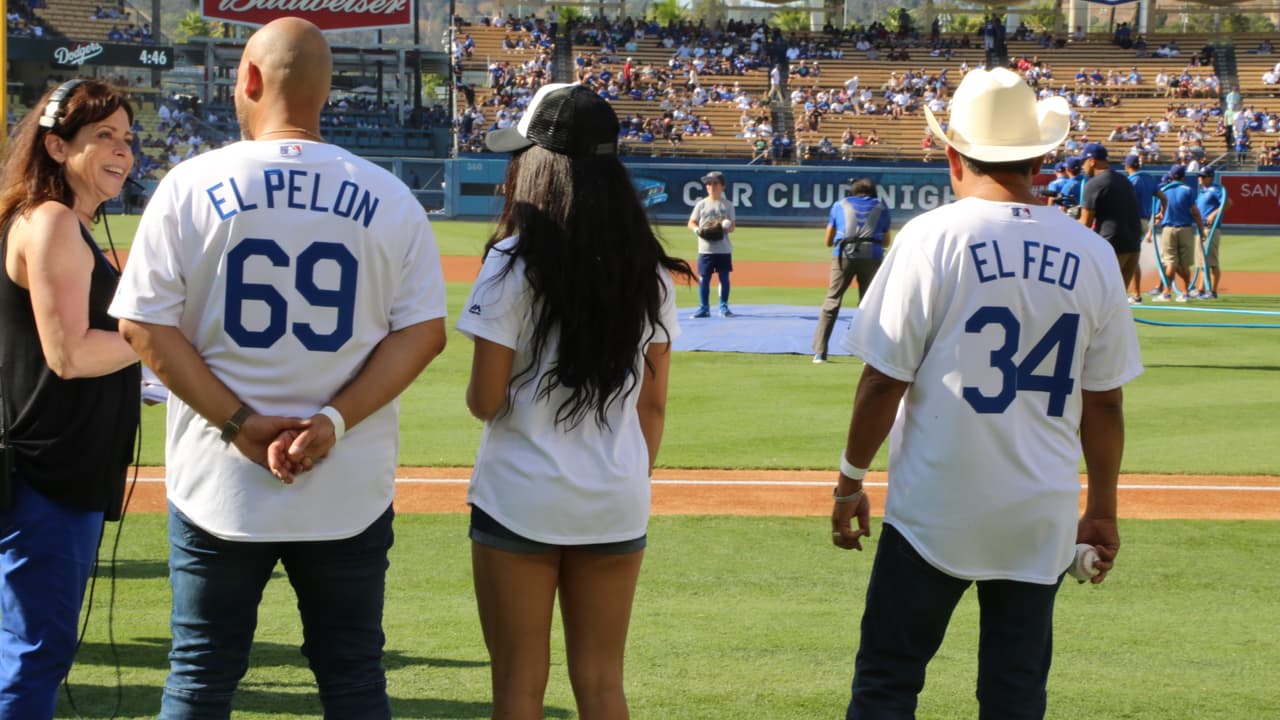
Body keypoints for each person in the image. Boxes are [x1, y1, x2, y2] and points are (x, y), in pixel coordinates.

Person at [108, 18, 448, 718]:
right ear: (327, 91)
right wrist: (330, 422)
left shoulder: (189, 183)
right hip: (346, 479)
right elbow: (423, 335)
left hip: (218, 479)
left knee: (200, 676)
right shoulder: (389, 194)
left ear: (250, 80)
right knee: (354, 677)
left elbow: (142, 325)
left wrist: (240, 424)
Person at [832, 67, 1143, 719]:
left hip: (933, 510)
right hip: (1039, 514)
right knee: (1014, 692)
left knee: (888, 683)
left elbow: (883, 380)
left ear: (952, 154)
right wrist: (1104, 511)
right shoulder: (1089, 253)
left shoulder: (929, 238)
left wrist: (850, 481)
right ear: (1039, 157)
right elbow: (1106, 404)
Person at [461, 82, 693, 719]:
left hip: (519, 497)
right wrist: (620, 473)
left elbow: (484, 400)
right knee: (601, 685)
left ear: (538, 165)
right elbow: (653, 407)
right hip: (615, 498)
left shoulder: (511, 262)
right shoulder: (650, 271)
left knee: (517, 686)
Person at [0, 79, 140, 720]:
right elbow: (72, 355)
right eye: (103, 136)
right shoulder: (54, 220)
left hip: (47, 467)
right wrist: (161, 337)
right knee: (35, 651)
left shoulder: (51, 218)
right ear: (57, 145)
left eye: (128, 138)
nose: (122, 151)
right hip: (47, 473)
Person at [812, 178, 891, 363]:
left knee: (832, 300)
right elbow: (887, 240)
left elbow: (828, 240)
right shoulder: (882, 207)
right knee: (869, 304)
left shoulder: (840, 205)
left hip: (844, 255)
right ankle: (868, 354)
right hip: (872, 256)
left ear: (852, 192)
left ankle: (820, 352)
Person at [1078, 143, 1143, 299]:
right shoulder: (1124, 179)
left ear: (1091, 161)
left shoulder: (1094, 183)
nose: (1082, 167)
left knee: (1097, 298)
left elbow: (1084, 224)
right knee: (1117, 301)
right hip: (1133, 246)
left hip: (1111, 247)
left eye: (1083, 162)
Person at [1153, 165, 1206, 302]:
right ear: (1183, 177)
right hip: (1186, 229)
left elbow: (1159, 212)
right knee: (1184, 264)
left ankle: (1166, 292)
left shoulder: (1164, 190)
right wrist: (1201, 229)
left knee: (1170, 262)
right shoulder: (1188, 190)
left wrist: (1157, 219)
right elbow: (1195, 211)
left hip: (1168, 229)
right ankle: (1185, 292)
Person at [687, 170, 736, 318]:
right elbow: (691, 222)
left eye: (715, 183)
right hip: (705, 249)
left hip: (723, 248)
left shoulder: (727, 205)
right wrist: (697, 231)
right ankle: (704, 308)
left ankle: (723, 306)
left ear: (723, 186)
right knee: (704, 278)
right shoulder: (701, 204)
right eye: (708, 183)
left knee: (724, 278)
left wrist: (727, 226)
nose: (711, 186)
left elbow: (732, 226)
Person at [1123, 154, 1167, 302]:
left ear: (1128, 166)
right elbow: (1163, 198)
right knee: (1132, 258)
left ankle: (1134, 294)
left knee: (1127, 259)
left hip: (1131, 221)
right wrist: (1162, 213)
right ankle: (1133, 294)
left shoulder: (1131, 181)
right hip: (1143, 221)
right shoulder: (1148, 179)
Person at [1193, 167, 1230, 299]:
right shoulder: (1202, 192)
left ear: (1210, 177)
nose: (1200, 178)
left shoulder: (1215, 189)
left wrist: (1214, 214)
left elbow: (1228, 202)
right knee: (1201, 261)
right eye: (1199, 176)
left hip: (1211, 229)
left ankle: (1212, 291)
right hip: (1201, 228)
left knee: (1211, 261)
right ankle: (1200, 289)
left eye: (1203, 176)